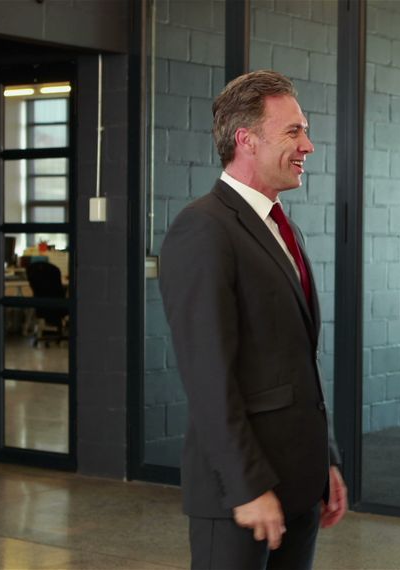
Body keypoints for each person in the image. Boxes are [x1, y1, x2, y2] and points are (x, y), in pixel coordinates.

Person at [158, 69, 347, 570]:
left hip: (299, 485)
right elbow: (209, 377)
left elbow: (296, 364)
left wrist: (325, 462)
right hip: (241, 495)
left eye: (304, 130)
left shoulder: (285, 229)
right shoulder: (203, 229)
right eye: (294, 131)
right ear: (246, 140)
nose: (308, 144)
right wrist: (247, 486)